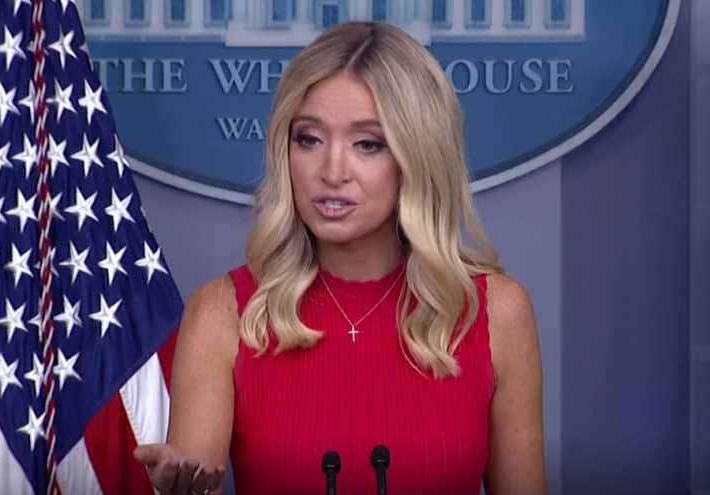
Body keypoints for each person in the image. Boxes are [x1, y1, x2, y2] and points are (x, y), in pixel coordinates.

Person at [134, 21, 546, 495]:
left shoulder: (496, 313)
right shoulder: (221, 312)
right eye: (309, 139)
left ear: (418, 156)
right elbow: (192, 477)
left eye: (367, 144)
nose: (332, 172)